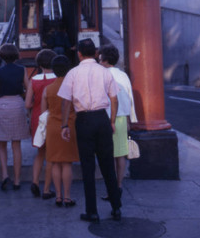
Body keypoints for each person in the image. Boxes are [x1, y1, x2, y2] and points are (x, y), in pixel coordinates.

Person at [58, 38, 122, 223]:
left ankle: (92, 211)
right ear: (95, 53)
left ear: (78, 54)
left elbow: (66, 101)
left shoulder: (73, 73)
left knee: (88, 167)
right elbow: (114, 99)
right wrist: (111, 121)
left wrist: (64, 125)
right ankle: (116, 207)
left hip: (84, 120)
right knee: (108, 165)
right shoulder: (105, 72)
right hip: (102, 118)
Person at [98, 44, 138, 199]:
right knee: (120, 154)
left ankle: (110, 187)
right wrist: (130, 118)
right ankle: (118, 185)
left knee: (106, 155)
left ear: (103, 58)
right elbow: (129, 97)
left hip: (105, 117)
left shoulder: (101, 75)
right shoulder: (123, 75)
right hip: (121, 117)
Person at [41, 55, 79, 207]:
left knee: (55, 163)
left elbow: (44, 112)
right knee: (67, 164)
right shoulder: (72, 87)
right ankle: (67, 197)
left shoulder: (48, 89)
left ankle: (57, 196)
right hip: (69, 126)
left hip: (52, 127)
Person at [0, 43, 30, 190]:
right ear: (16, 55)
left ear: (1, 56)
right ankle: (17, 180)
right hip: (17, 104)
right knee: (16, 145)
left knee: (1, 144)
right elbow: (28, 89)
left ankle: (4, 175)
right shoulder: (22, 70)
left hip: (3, 105)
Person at [25, 48, 56, 198]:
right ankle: (46, 189)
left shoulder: (34, 80)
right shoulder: (57, 79)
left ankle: (35, 181)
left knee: (40, 153)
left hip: (37, 118)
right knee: (51, 155)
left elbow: (27, 104)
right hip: (52, 117)